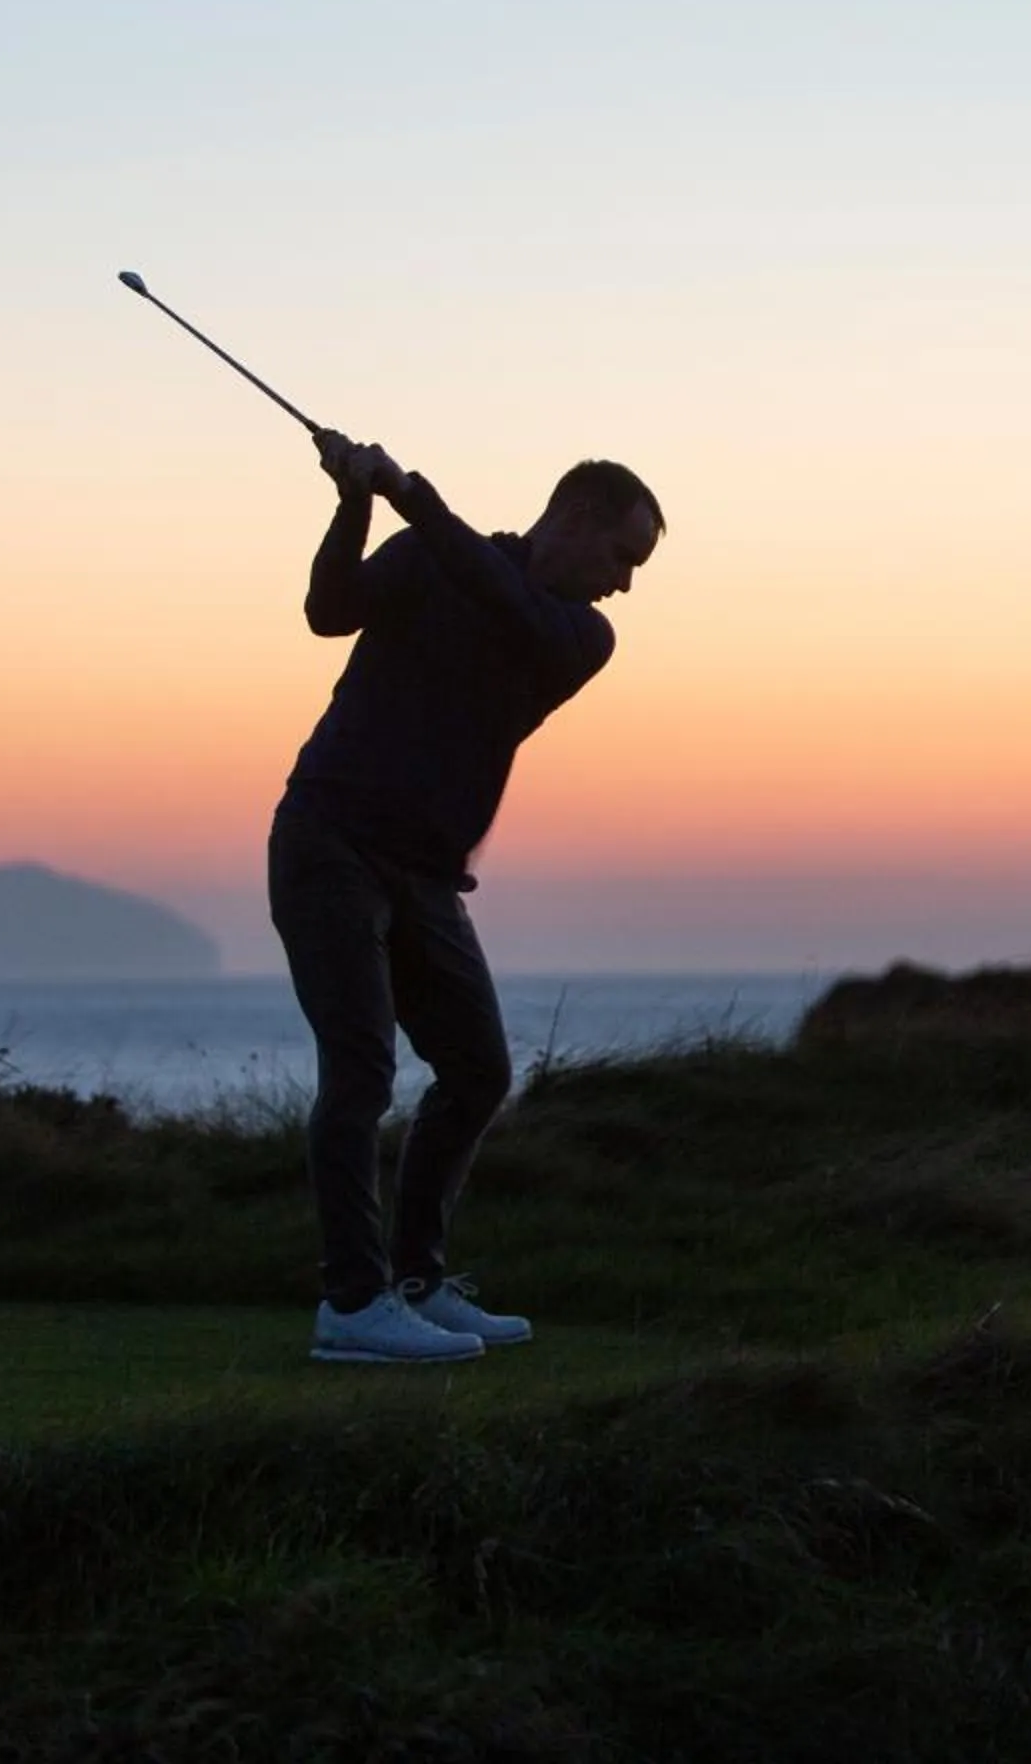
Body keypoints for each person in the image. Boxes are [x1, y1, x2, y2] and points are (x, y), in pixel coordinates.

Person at [270, 430, 662, 1365]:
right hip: (329, 840)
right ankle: (354, 1303)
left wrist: (418, 502)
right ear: (571, 519)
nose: (625, 584)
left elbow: (503, 603)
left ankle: (415, 1282)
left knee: (478, 1070)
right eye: (622, 556)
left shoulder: (578, 635)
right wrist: (357, 501)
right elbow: (329, 612)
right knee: (360, 1071)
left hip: (426, 875)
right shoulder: (432, 552)